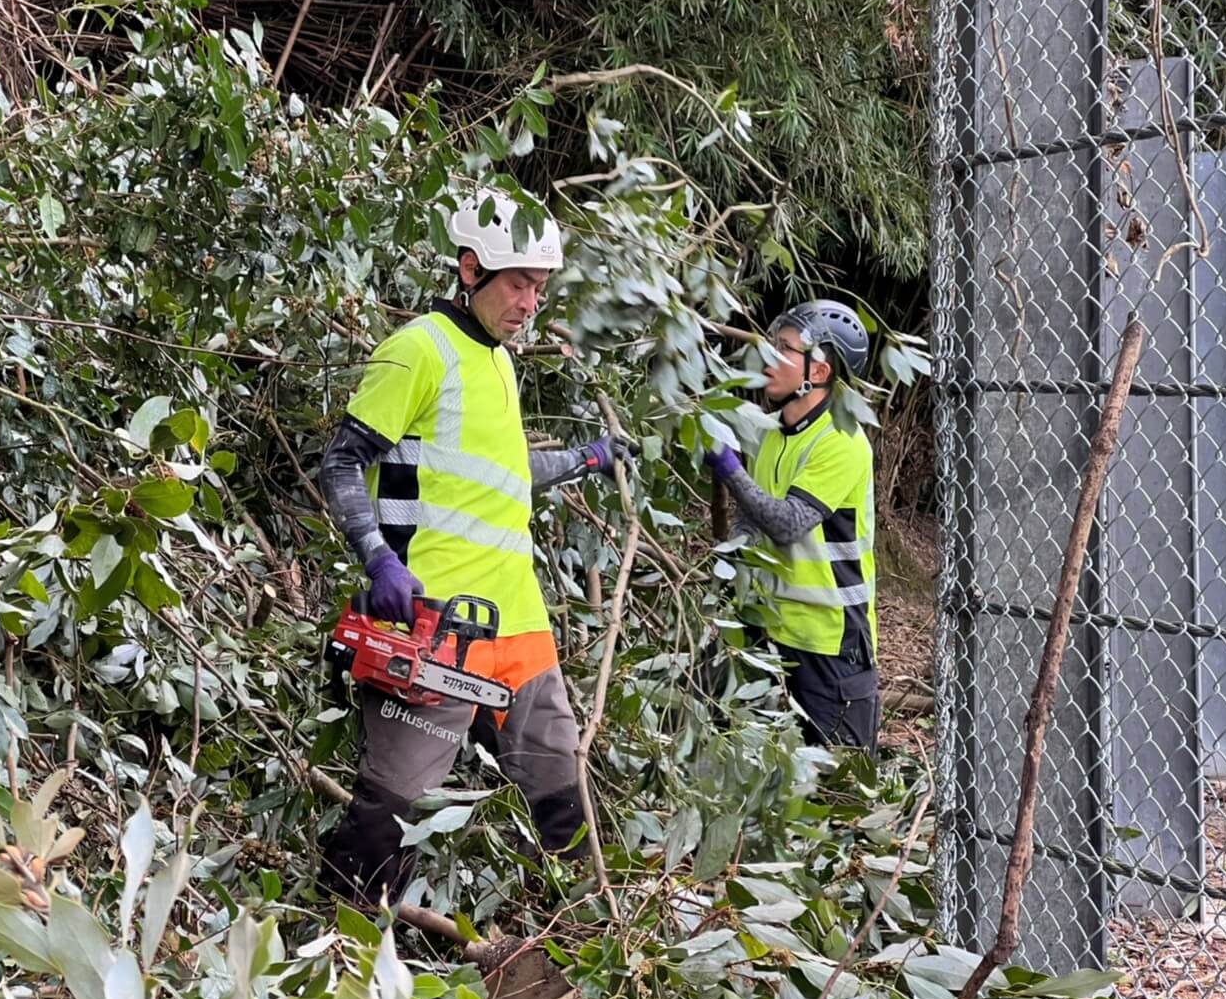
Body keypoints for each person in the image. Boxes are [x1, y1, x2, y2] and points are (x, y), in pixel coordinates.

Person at [315, 187, 627, 907]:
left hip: (518, 624)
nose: (530, 303)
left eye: (540, 288)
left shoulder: (501, 364)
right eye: (519, 283)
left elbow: (504, 473)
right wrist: (377, 557)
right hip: (435, 627)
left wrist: (587, 458)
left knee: (560, 790)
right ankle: (335, 948)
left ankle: (579, 937)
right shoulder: (418, 350)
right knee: (391, 808)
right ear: (469, 269)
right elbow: (342, 461)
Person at [703, 300, 880, 754]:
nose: (767, 357)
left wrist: (729, 469)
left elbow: (787, 523)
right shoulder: (771, 432)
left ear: (818, 372)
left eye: (783, 348)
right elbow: (753, 520)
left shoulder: (843, 441)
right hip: (771, 630)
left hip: (831, 641)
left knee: (836, 787)